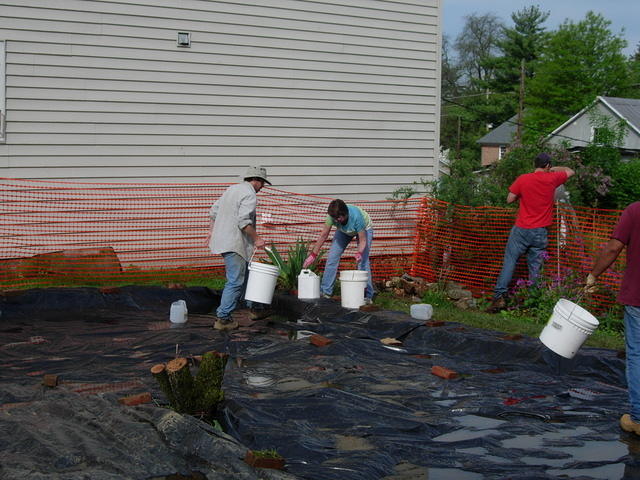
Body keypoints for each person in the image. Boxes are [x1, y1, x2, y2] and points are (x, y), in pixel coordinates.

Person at [488, 153, 574, 312]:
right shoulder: (552, 178)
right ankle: (533, 302)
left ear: (535, 164)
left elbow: (509, 199)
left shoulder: (523, 179)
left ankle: (499, 297)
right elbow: (570, 171)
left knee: (510, 261)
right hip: (541, 231)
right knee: (535, 267)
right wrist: (553, 169)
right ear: (547, 165)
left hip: (522, 229)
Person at [586, 201, 640, 435]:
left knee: (637, 354)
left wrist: (593, 274)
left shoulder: (635, 210)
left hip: (638, 297)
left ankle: (638, 418)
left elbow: (613, 248)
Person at [207, 165, 271, 330]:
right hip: (233, 243)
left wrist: (211, 231)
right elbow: (243, 222)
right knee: (235, 281)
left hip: (223, 240)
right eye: (262, 183)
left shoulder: (232, 189)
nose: (262, 187)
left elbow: (214, 211)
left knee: (246, 274)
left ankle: (255, 309)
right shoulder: (250, 194)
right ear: (257, 181)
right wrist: (257, 239)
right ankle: (223, 318)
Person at [303, 199, 374, 303]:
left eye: (338, 218)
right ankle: (326, 292)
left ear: (345, 214)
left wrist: (359, 253)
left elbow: (363, 240)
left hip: (365, 229)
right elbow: (323, 235)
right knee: (332, 258)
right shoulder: (332, 217)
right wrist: (313, 255)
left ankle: (367, 296)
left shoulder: (357, 217)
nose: (335, 220)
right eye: (334, 218)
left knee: (363, 262)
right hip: (344, 231)